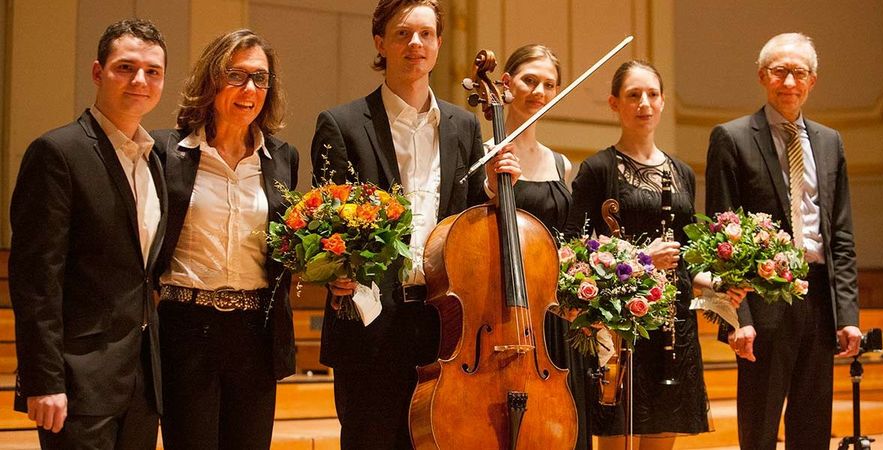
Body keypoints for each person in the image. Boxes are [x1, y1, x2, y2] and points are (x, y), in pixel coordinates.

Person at [310, 1, 519, 448]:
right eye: (403, 33)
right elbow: (323, 228)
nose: (415, 44)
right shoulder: (342, 124)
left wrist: (493, 191)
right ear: (380, 42)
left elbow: (466, 223)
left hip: (446, 324)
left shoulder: (463, 126)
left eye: (426, 34)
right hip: (372, 325)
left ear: (439, 44)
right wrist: (334, 274)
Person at [566, 60, 748, 450]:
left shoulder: (681, 172)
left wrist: (717, 286)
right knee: (617, 433)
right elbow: (575, 253)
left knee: (663, 433)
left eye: (652, 95)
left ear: (663, 102)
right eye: (633, 95)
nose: (644, 103)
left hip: (674, 322)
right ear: (615, 104)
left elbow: (684, 257)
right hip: (621, 324)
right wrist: (641, 258)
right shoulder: (597, 169)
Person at [8, 18, 167, 449]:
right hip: (77, 381)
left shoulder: (153, 160)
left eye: (153, 71)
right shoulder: (58, 152)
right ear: (98, 73)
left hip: (140, 383)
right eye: (125, 67)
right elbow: (36, 281)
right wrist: (43, 380)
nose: (140, 80)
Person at [705, 32, 862, 449]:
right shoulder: (731, 138)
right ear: (762, 76)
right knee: (759, 427)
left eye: (798, 73)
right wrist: (739, 318)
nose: (789, 82)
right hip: (763, 300)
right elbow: (721, 237)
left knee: (812, 426)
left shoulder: (830, 142)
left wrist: (847, 313)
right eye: (779, 72)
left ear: (813, 80)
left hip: (818, 302)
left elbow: (841, 235)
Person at [151, 29, 298, 450]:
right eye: (236, 75)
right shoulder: (167, 150)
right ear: (211, 79)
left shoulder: (281, 157)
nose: (250, 89)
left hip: (255, 332)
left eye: (260, 78)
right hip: (186, 328)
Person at [498, 43, 596, 449]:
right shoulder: (485, 156)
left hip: (553, 313)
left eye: (549, 84)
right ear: (505, 84)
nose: (538, 91)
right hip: (501, 308)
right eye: (529, 80)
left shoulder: (560, 163)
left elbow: (565, 243)